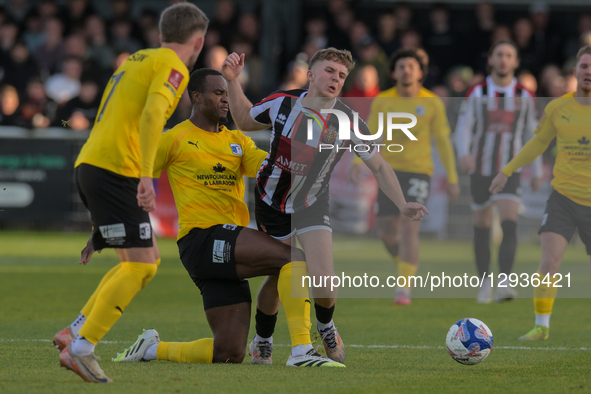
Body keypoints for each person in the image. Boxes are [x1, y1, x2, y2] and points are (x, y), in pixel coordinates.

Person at [112, 69, 344, 368]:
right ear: (196, 97)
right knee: (294, 259)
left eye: (227, 92)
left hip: (225, 246)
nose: (225, 99)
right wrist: (114, 226)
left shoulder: (238, 142)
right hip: (201, 237)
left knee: (229, 353)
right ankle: (302, 351)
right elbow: (133, 176)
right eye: (218, 93)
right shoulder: (175, 138)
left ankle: (150, 349)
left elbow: (273, 168)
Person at [221, 48, 428, 364]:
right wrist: (233, 81)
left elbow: (380, 167)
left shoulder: (347, 121)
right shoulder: (283, 103)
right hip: (271, 203)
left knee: (325, 280)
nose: (336, 79)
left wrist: (401, 204)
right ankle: (262, 339)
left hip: (311, 203)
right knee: (281, 274)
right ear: (311, 74)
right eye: (330, 71)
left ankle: (326, 326)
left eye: (342, 75)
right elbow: (246, 120)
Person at [51, 3, 209, 383]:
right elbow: (154, 115)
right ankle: (82, 348)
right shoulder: (174, 67)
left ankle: (74, 331)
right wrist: (144, 177)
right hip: (115, 170)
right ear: (198, 42)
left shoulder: (136, 59)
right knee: (142, 264)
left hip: (92, 165)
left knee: (142, 259)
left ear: (161, 35)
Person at [490, 45, 591, 340]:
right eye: (584, 66)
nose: (589, 72)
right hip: (563, 197)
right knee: (549, 260)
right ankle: (541, 326)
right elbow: (537, 144)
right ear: (575, 72)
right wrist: (506, 170)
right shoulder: (558, 108)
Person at [350, 48, 459, 305]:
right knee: (387, 233)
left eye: (412, 66)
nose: (406, 70)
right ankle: (407, 267)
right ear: (393, 72)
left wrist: (452, 178)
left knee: (410, 227)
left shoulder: (432, 102)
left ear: (420, 72)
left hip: (419, 172)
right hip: (389, 172)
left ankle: (403, 289)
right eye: (401, 66)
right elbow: (369, 133)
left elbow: (443, 142)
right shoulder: (383, 100)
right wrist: (357, 161)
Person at [455, 40, 542, 304]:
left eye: (509, 55)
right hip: (481, 168)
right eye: (499, 55)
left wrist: (536, 169)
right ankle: (484, 284)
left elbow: (532, 134)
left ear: (516, 62)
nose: (503, 60)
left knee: (509, 222)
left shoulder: (524, 96)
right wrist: (464, 153)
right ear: (490, 59)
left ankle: (504, 282)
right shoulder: (477, 93)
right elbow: (463, 126)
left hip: (510, 168)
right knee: (481, 226)